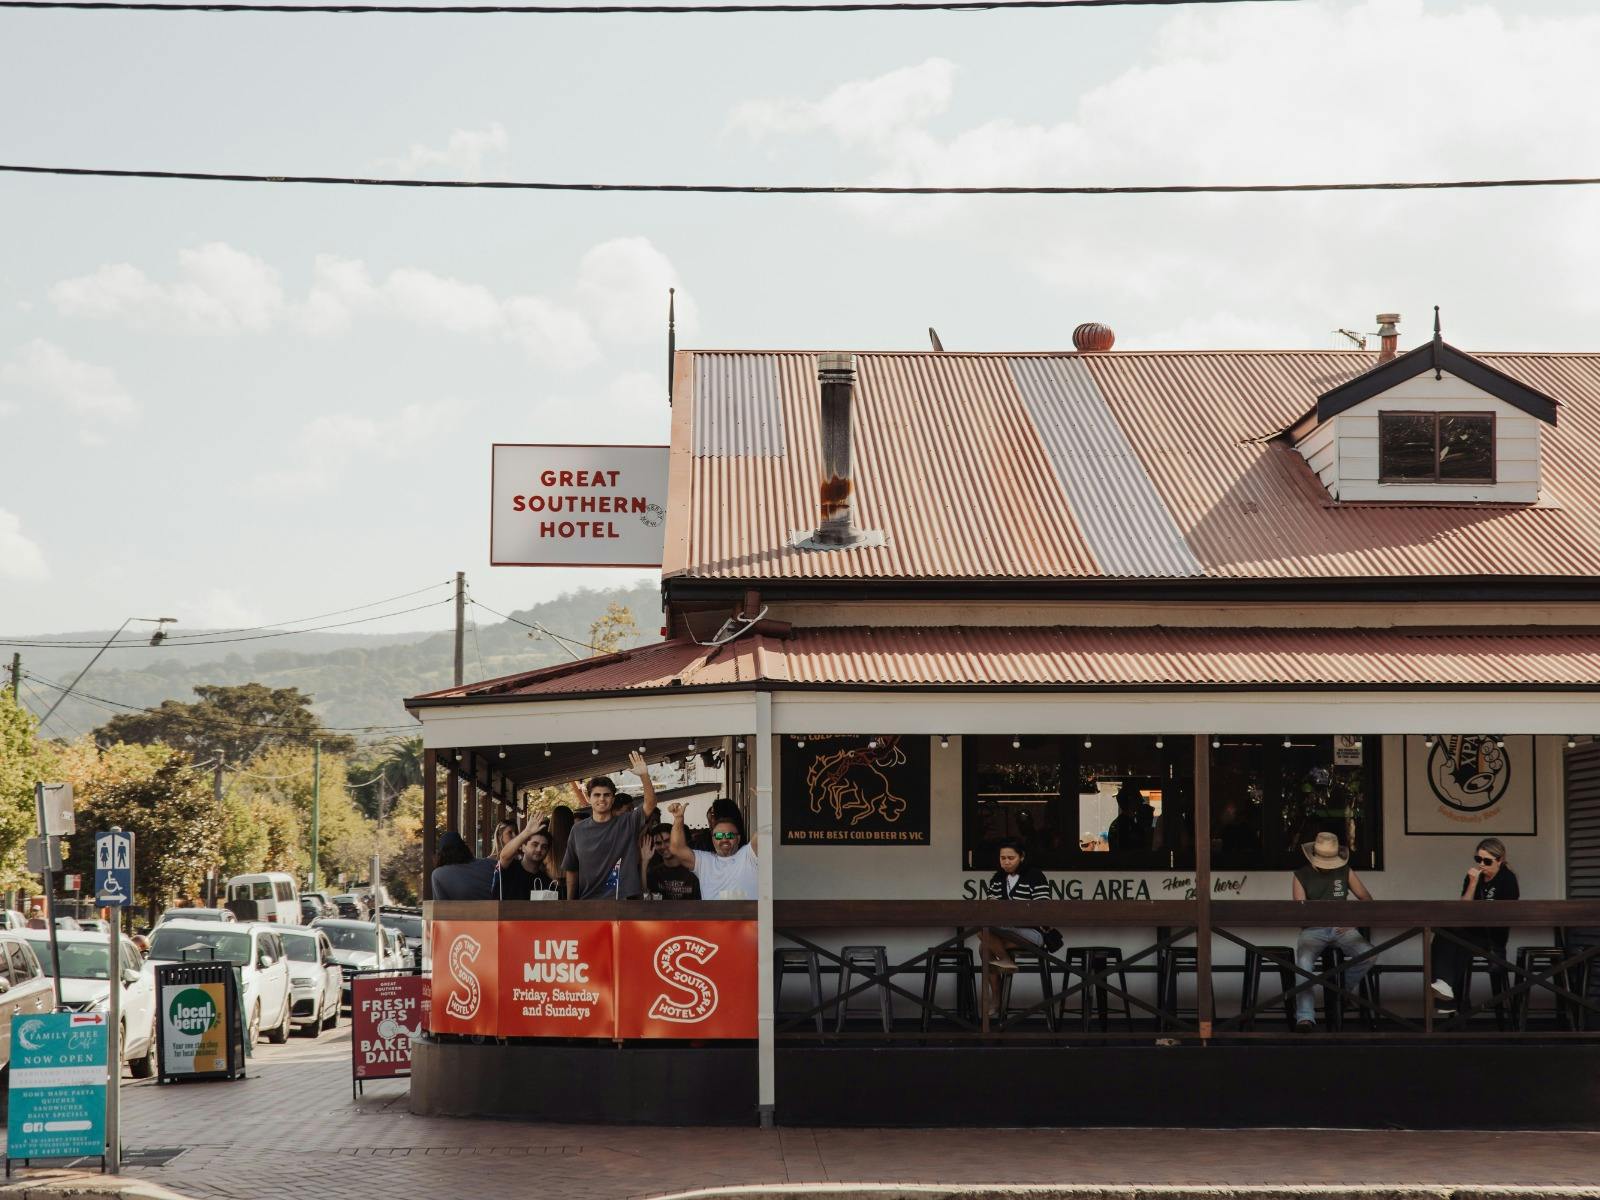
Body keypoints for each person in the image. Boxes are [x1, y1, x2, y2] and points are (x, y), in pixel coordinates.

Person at [1290, 831, 1375, 1031]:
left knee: (1369, 954)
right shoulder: (1300, 875)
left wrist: (1352, 921)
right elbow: (1299, 911)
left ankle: (1338, 992)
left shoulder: (1346, 871)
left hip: (1342, 928)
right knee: (1303, 963)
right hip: (1313, 930)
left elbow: (1367, 899)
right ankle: (1305, 1017)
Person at [1430, 837, 1521, 1016]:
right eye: (1478, 859)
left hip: (1491, 937)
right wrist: (1472, 883)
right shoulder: (1474, 876)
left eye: (1487, 861)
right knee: (1444, 932)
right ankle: (1445, 987)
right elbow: (1462, 910)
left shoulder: (1507, 879)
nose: (1482, 864)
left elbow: (1504, 914)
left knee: (1452, 938)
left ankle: (1448, 994)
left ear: (1500, 860)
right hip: (1470, 933)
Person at [562, 752, 658, 900]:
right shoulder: (578, 829)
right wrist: (570, 903)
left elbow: (650, 804)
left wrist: (644, 775)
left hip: (625, 901)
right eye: (597, 795)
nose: (602, 798)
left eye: (606, 795)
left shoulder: (627, 822)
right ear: (589, 798)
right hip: (589, 902)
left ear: (613, 799)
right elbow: (572, 869)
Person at [978, 840, 1055, 1015]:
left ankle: (1005, 961)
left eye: (1011, 858)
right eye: (1002, 858)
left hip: (1033, 933)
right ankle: (997, 998)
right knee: (984, 947)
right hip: (1004, 933)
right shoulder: (997, 878)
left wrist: (1010, 914)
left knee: (984, 936)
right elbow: (991, 907)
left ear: (1021, 857)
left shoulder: (1035, 875)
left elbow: (1041, 908)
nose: (1006, 861)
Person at [664, 800, 757, 900]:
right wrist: (678, 819)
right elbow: (676, 848)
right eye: (719, 836)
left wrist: (765, 798)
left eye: (729, 835)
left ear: (738, 838)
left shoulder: (749, 855)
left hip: (748, 915)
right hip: (713, 915)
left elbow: (763, 834)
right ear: (713, 839)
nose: (724, 839)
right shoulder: (704, 861)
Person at [495, 817, 562, 899]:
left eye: (544, 847)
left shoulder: (547, 881)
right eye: (535, 844)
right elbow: (504, 856)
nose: (539, 849)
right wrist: (527, 832)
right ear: (522, 847)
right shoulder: (510, 867)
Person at [429, 830, 497, 900]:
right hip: (501, 910)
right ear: (465, 849)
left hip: (462, 911)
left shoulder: (438, 875)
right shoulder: (491, 864)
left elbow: (440, 907)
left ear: (441, 855)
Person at [645, 820, 701, 900]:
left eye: (667, 841)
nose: (663, 846)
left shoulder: (694, 870)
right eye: (658, 843)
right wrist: (644, 862)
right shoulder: (654, 873)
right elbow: (644, 899)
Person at [1106, 782, 1154, 853]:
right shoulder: (1125, 824)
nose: (1141, 801)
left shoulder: (1121, 822)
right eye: (1138, 798)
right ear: (1131, 801)